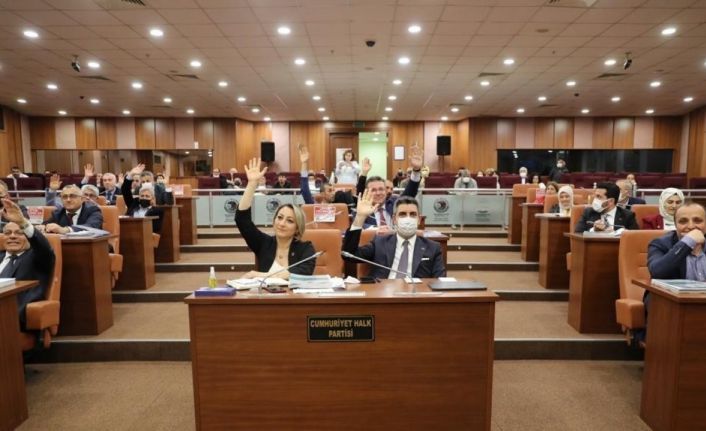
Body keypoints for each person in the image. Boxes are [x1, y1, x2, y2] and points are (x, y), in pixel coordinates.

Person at [236, 158, 316, 279]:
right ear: (274, 221)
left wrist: (259, 275)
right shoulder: (263, 243)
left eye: (290, 221)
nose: (282, 223)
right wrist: (252, 184)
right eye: (280, 217)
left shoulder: (305, 248)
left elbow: (304, 272)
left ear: (297, 228)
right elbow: (242, 220)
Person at [342, 193, 445, 279]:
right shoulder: (380, 243)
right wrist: (360, 217)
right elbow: (348, 254)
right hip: (383, 294)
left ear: (419, 219)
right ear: (394, 219)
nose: (408, 219)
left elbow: (440, 281)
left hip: (416, 294)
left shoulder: (433, 247)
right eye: (402, 214)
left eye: (413, 214)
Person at [0, 198, 55, 331]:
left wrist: (23, 223)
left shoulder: (37, 257)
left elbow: (42, 246)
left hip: (12, 318)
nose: (12, 236)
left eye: (20, 233)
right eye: (7, 233)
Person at [352, 147, 423, 230]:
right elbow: (359, 225)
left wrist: (416, 170)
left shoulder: (394, 203)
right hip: (372, 237)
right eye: (373, 190)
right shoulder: (362, 208)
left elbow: (410, 192)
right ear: (367, 193)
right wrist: (377, 229)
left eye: (381, 189)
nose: (378, 193)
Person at [299, 145, 358, 212]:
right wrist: (304, 163)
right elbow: (304, 189)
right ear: (322, 194)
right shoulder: (314, 206)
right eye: (330, 191)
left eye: (333, 190)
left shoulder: (338, 207)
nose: (333, 193)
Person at [574, 182, 639, 233]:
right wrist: (593, 230)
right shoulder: (588, 212)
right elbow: (577, 233)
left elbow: (635, 237)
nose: (595, 199)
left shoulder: (627, 215)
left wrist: (617, 233)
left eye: (599, 197)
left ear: (611, 201)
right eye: (595, 196)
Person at [121, 165, 165, 233]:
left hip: (146, 232)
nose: (145, 184)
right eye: (142, 196)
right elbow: (125, 191)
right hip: (129, 230)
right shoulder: (134, 204)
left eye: (147, 196)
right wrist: (130, 175)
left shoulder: (157, 210)